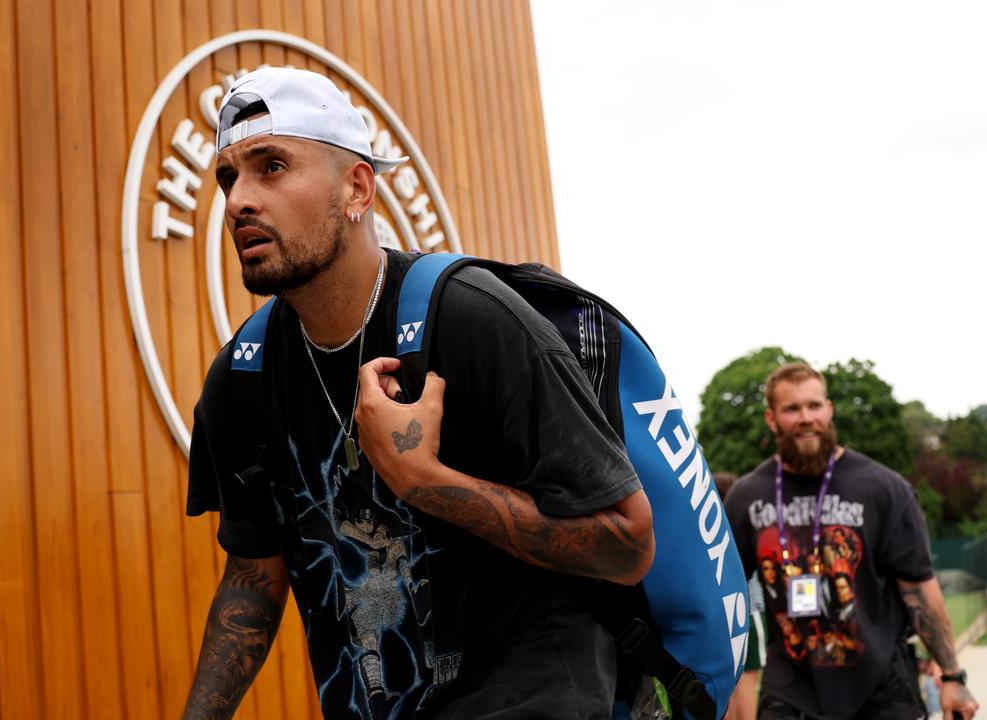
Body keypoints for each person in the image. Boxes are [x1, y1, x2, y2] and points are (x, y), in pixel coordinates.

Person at [182, 66, 655, 720]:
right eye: (228, 177)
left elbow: (626, 545)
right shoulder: (242, 377)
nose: (237, 200)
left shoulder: (473, 319)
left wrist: (421, 481)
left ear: (356, 188)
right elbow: (252, 581)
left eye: (271, 167)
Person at [724, 362, 979, 720]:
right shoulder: (747, 496)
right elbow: (723, 593)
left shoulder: (884, 489)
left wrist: (952, 676)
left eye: (814, 406)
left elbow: (919, 590)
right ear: (771, 418)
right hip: (791, 690)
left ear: (828, 410)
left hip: (882, 686)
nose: (805, 417)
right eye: (791, 409)